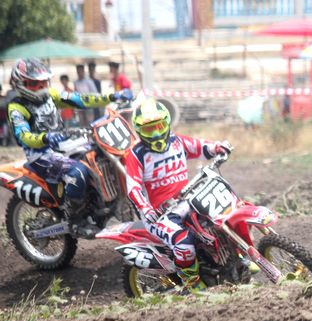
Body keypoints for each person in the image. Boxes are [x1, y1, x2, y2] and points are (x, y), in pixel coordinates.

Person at [6, 58, 132, 230]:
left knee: (101, 154)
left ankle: (103, 203)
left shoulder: (51, 95)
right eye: (35, 84)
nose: (41, 87)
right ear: (21, 83)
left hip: (63, 145)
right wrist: (45, 138)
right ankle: (74, 219)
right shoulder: (16, 107)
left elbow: (81, 99)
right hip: (41, 154)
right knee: (78, 172)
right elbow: (23, 136)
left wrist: (111, 97)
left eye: (44, 82)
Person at [125, 98, 232, 290]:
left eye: (158, 126)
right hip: (158, 214)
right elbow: (133, 188)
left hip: (187, 200)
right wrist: (146, 209)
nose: (155, 133)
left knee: (221, 215)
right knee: (184, 242)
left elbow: (200, 147)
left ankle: (236, 259)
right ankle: (191, 283)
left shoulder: (177, 141)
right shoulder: (136, 154)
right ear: (139, 130)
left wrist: (217, 147)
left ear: (167, 123)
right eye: (149, 129)